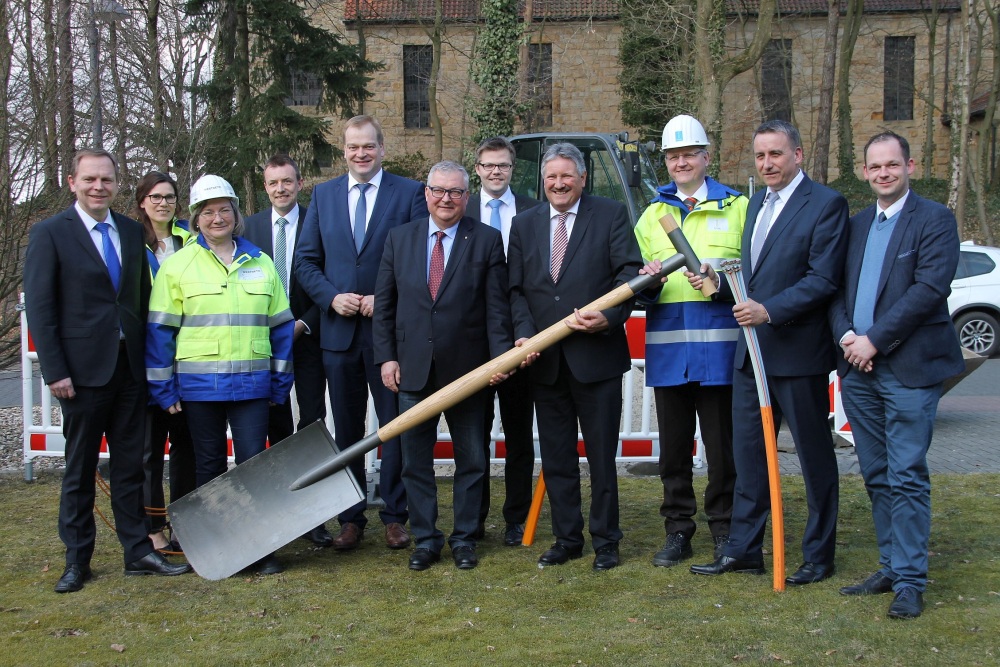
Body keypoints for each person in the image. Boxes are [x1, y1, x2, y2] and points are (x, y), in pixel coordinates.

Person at [24, 148, 191, 593]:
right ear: (72, 181)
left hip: (129, 372)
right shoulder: (50, 234)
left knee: (131, 468)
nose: (99, 186)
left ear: (117, 184)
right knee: (79, 470)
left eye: (106, 180)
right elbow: (41, 308)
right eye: (90, 179)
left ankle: (138, 551)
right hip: (79, 375)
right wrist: (55, 370)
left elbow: (139, 301)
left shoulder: (130, 231)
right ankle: (77, 559)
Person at [689, 120, 848, 586]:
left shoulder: (826, 204)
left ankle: (818, 556)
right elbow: (751, 283)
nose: (767, 164)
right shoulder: (756, 201)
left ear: (798, 154)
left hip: (798, 355)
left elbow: (823, 279)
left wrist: (770, 310)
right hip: (750, 356)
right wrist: (720, 287)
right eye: (760, 156)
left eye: (776, 154)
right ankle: (744, 550)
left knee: (814, 458)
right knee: (748, 457)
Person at [829, 131, 963, 619]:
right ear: (865, 172)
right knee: (877, 473)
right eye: (875, 166)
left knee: (907, 474)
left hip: (907, 367)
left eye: (892, 165)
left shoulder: (935, 220)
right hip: (858, 368)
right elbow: (835, 290)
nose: (883, 173)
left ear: (909, 166)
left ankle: (910, 579)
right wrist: (847, 336)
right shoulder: (857, 225)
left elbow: (929, 290)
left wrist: (875, 340)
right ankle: (890, 565)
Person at [146, 174, 294, 575]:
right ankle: (212, 547)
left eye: (224, 210)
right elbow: (160, 331)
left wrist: (280, 382)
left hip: (251, 387)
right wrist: (163, 386)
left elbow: (281, 327)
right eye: (207, 212)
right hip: (199, 388)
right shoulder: (177, 266)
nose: (217, 218)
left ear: (235, 214)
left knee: (253, 467)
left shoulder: (260, 262)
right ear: (195, 219)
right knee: (207, 468)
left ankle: (258, 549)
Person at [507, 143, 644, 571]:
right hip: (545, 364)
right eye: (552, 177)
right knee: (557, 457)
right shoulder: (524, 224)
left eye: (567, 176)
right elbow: (515, 291)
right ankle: (568, 538)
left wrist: (609, 317)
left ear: (583, 178)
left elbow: (629, 273)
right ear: (542, 181)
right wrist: (526, 335)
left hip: (596, 359)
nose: (559, 183)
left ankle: (606, 541)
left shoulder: (610, 214)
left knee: (602, 458)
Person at [297, 115, 428, 552]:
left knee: (394, 426)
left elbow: (417, 261)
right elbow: (305, 262)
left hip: (388, 336)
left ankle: (395, 515)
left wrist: (381, 298)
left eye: (368, 146)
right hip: (338, 335)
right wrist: (331, 298)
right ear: (344, 151)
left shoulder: (409, 193)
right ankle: (351, 518)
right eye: (353, 147)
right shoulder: (324, 195)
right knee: (348, 429)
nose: (360, 154)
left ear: (382, 148)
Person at [374, 160, 513, 570]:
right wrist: (387, 357)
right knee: (415, 461)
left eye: (455, 192)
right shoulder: (399, 239)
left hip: (469, 373)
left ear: (466, 197)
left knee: (472, 458)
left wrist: (499, 361)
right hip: (413, 369)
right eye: (438, 190)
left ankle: (465, 538)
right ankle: (426, 539)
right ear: (426, 194)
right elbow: (385, 306)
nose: (446, 199)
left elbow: (496, 309)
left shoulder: (486, 240)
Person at [633, 115, 745, 567]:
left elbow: (754, 276)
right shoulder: (651, 215)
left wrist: (720, 283)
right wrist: (648, 283)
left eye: (688, 154)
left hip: (721, 353)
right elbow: (640, 279)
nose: (681, 162)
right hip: (669, 352)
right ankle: (678, 531)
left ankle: (726, 530)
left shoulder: (738, 207)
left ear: (706, 156)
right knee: (673, 452)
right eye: (673, 156)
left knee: (723, 452)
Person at [244, 154, 333, 548]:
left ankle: (314, 515)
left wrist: (304, 322)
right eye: (272, 183)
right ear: (265, 188)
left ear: (300, 183)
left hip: (310, 337)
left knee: (311, 422)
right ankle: (280, 508)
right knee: (275, 423)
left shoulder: (319, 220)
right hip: (265, 345)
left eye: (287, 181)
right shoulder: (249, 227)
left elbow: (331, 276)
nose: (280, 189)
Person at [468, 136, 539, 546]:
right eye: (489, 165)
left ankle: (517, 517)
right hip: (475, 340)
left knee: (518, 434)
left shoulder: (533, 210)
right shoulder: (462, 209)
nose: (496, 172)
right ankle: (474, 518)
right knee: (474, 435)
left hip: (521, 338)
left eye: (504, 166)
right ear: (477, 168)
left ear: (514, 169)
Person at [135, 171, 196, 553]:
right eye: (155, 197)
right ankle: (153, 528)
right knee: (149, 451)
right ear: (142, 201)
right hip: (145, 357)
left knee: (187, 446)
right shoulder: (131, 241)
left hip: (188, 356)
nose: (163, 203)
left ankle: (185, 523)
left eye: (170, 196)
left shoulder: (190, 238)